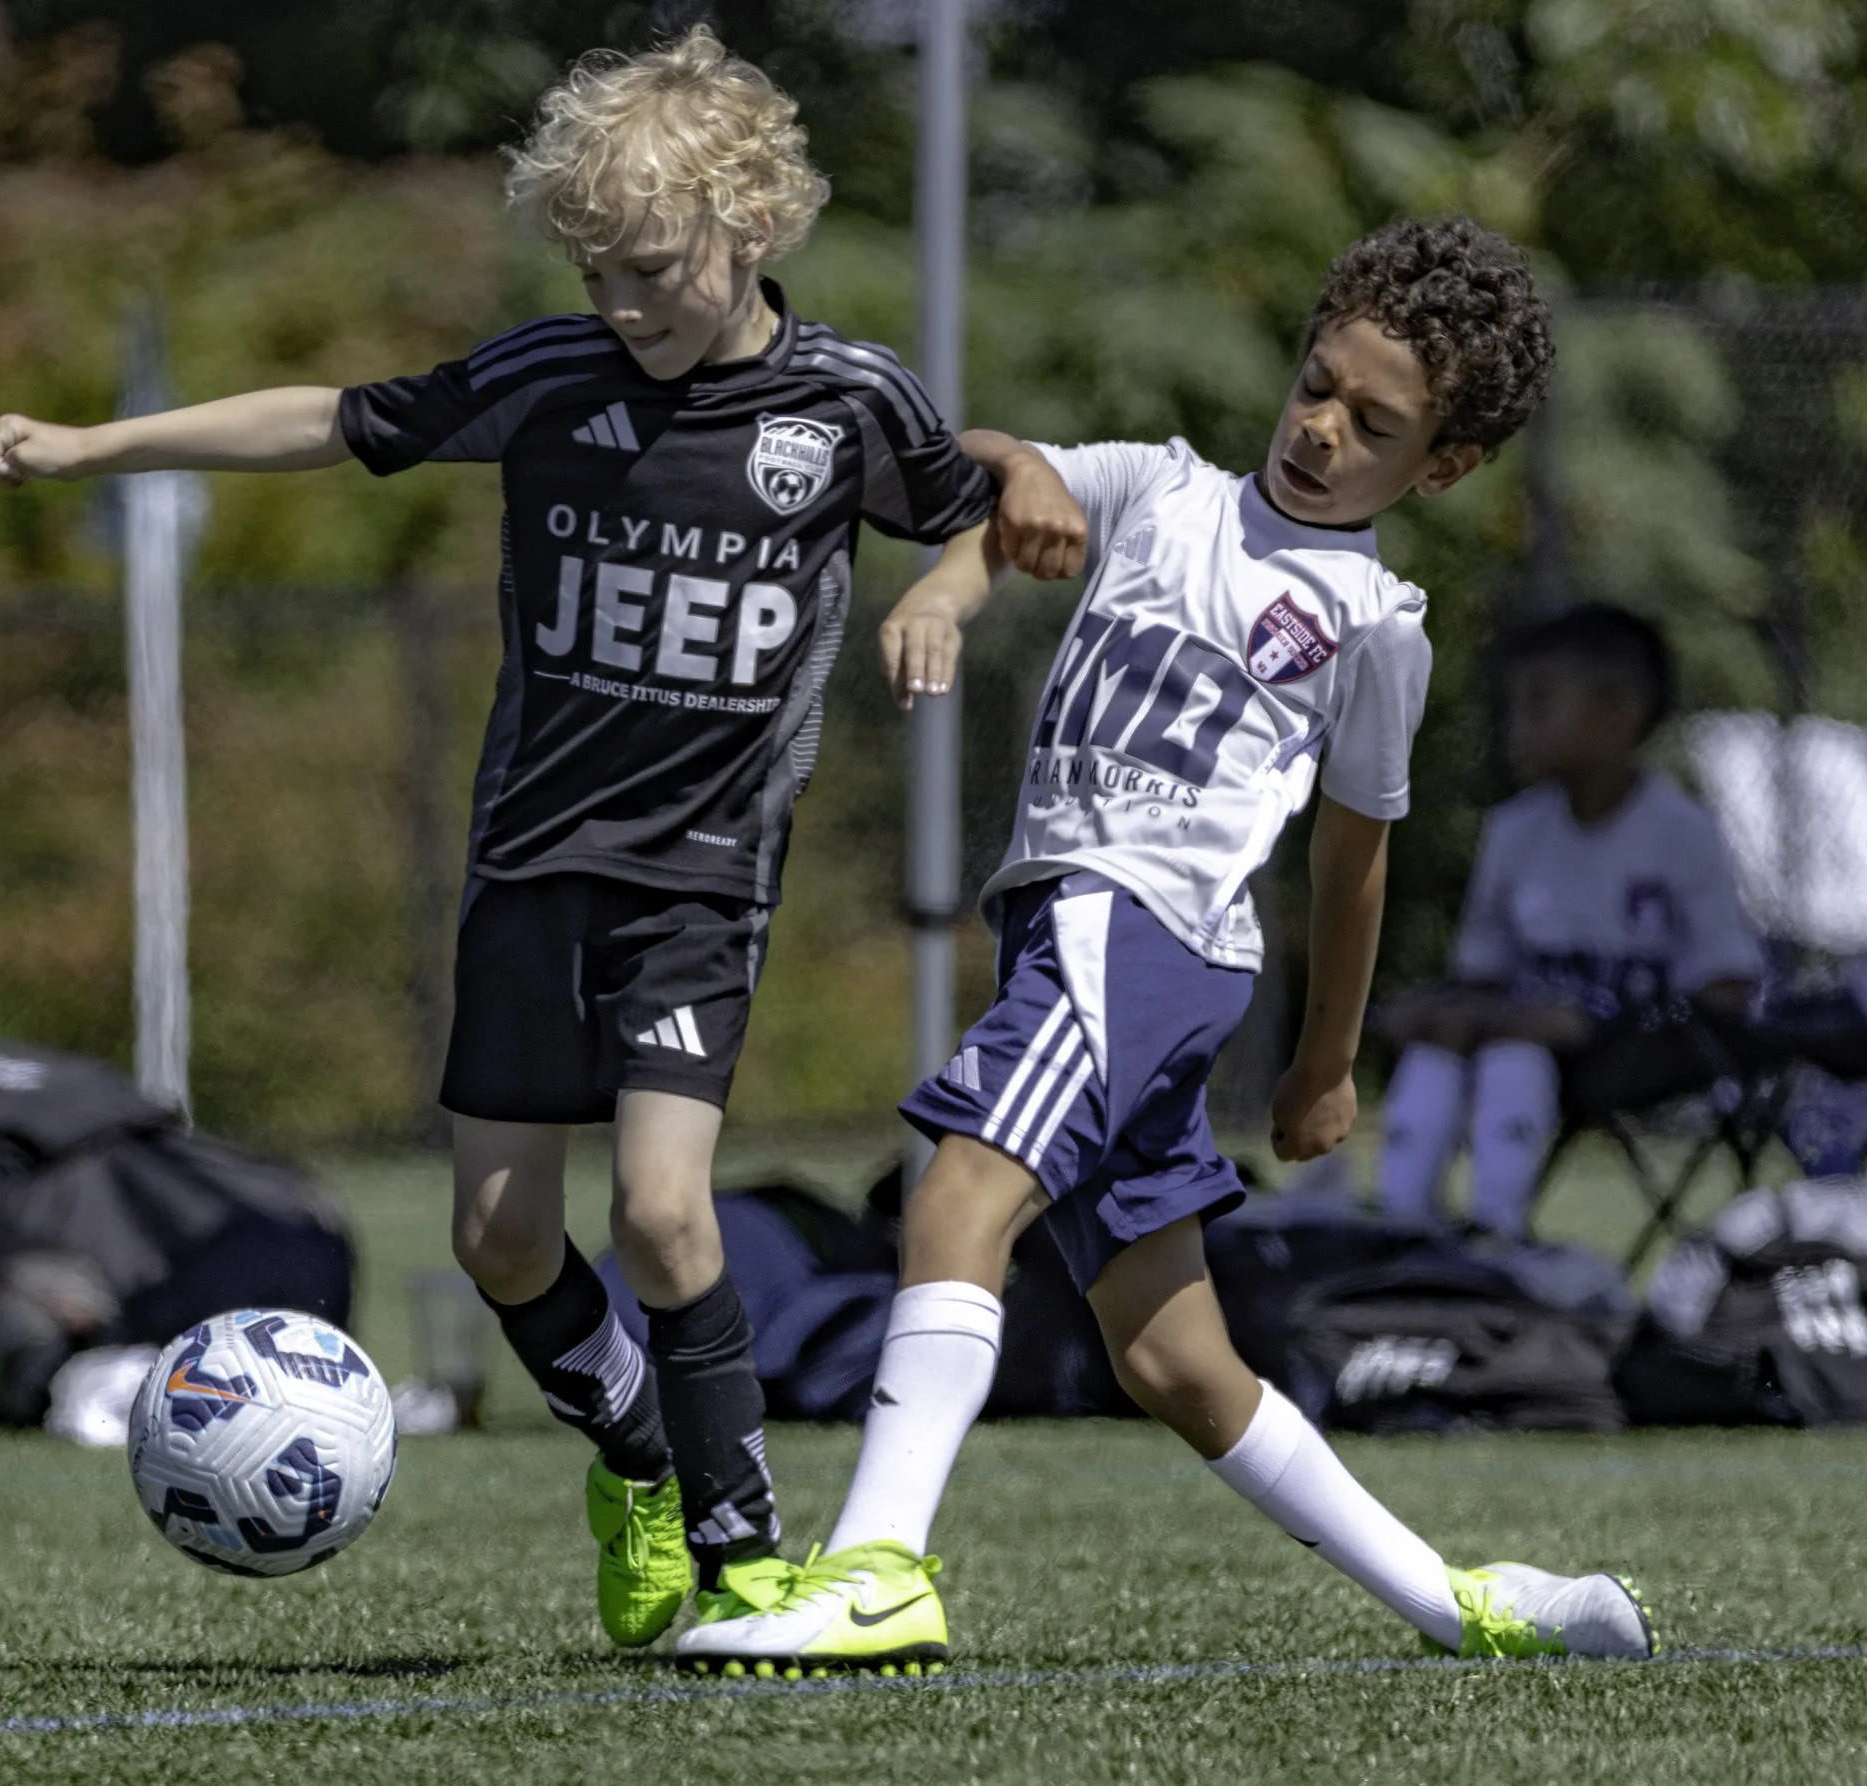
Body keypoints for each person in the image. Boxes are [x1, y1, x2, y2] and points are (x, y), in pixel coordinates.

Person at [0, 28, 1001, 1649]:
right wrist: (96, 446)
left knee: (663, 1212)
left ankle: (745, 1556)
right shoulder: (549, 378)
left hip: (700, 881)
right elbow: (333, 421)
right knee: (499, 1237)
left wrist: (944, 586)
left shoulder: (847, 399)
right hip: (530, 864)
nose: (623, 304)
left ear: (751, 227)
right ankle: (635, 1460)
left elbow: (978, 509)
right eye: (596, 273)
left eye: (651, 269)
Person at [677, 216, 1658, 1676]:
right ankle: (1461, 1602)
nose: (1321, 429)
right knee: (1171, 1355)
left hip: (1136, 933)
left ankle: (876, 1568)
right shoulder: (1162, 486)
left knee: (956, 1196)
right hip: (1076, 935)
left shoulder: (1376, 624)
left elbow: (1352, 862)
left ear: (1442, 468)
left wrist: (1325, 1065)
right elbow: (989, 463)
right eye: (1316, 385)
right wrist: (961, 565)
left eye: (1374, 425)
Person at [1376, 604, 1762, 1239]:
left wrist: (1602, 1024)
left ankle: (1497, 1231)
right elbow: (1483, 974)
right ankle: (1403, 1228)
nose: (1517, 728)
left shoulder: (1683, 834)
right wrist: (1434, 1009)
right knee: (1445, 1044)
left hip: (1640, 1056)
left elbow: (1727, 986)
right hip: (1528, 1038)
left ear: (1618, 718)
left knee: (1515, 1051)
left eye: (1540, 705)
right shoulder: (1513, 831)